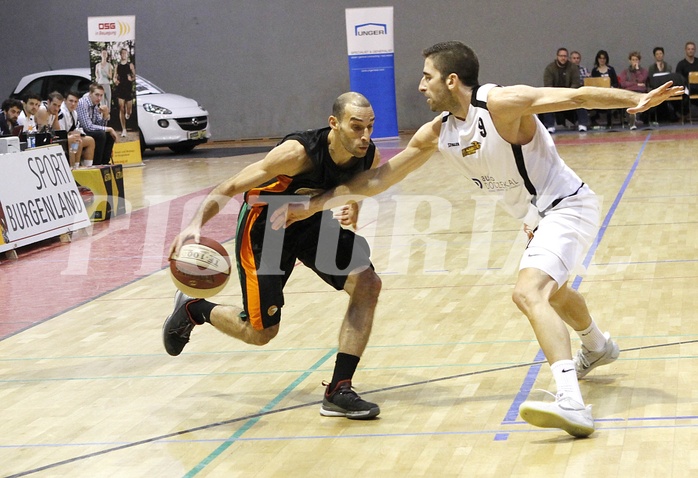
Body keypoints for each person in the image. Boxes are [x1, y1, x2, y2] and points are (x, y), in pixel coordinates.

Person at [271, 41, 683, 437]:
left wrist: (635, 100)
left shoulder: (498, 104)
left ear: (451, 80)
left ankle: (572, 402)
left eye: (426, 76)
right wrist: (316, 204)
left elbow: (574, 97)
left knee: (528, 292)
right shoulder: (439, 132)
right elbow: (380, 177)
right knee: (554, 293)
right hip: (537, 217)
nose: (419, 85)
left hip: (567, 206)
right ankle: (597, 345)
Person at [163, 92, 383, 420]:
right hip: (266, 227)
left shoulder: (368, 155)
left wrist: (354, 204)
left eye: (369, 127)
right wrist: (195, 222)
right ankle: (195, 308)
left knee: (367, 283)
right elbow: (231, 185)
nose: (365, 136)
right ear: (334, 124)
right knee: (261, 332)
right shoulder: (296, 154)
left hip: (309, 221)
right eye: (356, 127)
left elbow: (358, 185)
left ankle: (339, 389)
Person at [542, 48, 587, 132]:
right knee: (546, 102)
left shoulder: (573, 67)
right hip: (554, 94)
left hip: (570, 94)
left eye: (565, 56)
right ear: (557, 57)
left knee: (582, 100)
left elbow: (576, 83)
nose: (563, 58)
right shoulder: (550, 68)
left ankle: (582, 125)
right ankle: (550, 126)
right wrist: (557, 95)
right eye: (561, 56)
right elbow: (548, 85)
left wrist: (568, 94)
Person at [77, 83, 117, 165]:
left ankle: (105, 162)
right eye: (97, 95)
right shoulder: (83, 103)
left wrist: (105, 115)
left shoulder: (94, 104)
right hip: (81, 131)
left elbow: (99, 124)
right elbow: (88, 127)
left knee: (109, 135)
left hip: (88, 129)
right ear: (90, 93)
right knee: (101, 134)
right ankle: (97, 163)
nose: (99, 98)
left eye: (101, 95)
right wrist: (108, 128)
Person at [58, 91, 96, 168]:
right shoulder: (62, 112)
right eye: (71, 101)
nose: (73, 104)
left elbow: (77, 128)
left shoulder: (74, 113)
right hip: (62, 139)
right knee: (76, 142)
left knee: (90, 140)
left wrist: (78, 133)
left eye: (75, 102)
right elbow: (60, 132)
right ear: (64, 100)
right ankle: (74, 167)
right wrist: (72, 135)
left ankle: (87, 167)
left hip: (71, 136)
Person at [618, 52, 649, 129]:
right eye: (633, 60)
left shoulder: (644, 71)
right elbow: (623, 84)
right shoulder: (625, 72)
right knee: (630, 98)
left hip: (640, 92)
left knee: (636, 99)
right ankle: (632, 120)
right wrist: (637, 84)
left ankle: (632, 120)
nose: (635, 62)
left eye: (636, 60)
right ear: (630, 61)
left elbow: (642, 79)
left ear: (639, 61)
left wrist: (638, 71)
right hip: (629, 92)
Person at [590, 50, 620, 127]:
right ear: (597, 59)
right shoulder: (594, 71)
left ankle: (609, 123)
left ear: (606, 59)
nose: (602, 60)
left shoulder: (611, 69)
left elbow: (616, 82)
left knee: (609, 101)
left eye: (604, 58)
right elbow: (593, 83)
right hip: (599, 93)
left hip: (610, 93)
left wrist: (612, 87)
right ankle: (594, 122)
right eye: (600, 58)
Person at [113, 48, 135, 138]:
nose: (124, 55)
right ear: (120, 55)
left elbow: (135, 76)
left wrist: (132, 79)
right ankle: (124, 130)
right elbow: (114, 77)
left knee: (128, 110)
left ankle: (128, 113)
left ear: (127, 54)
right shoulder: (117, 65)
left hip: (128, 88)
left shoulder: (130, 65)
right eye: (122, 53)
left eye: (125, 53)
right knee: (121, 108)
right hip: (120, 87)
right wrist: (115, 81)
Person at [676, 41, 698, 115]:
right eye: (689, 49)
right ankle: (684, 115)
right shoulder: (681, 64)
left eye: (692, 49)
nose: (690, 51)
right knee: (683, 95)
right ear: (685, 50)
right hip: (686, 88)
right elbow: (678, 78)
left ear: (695, 50)